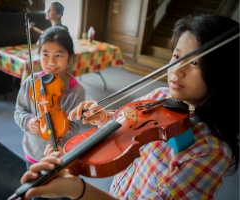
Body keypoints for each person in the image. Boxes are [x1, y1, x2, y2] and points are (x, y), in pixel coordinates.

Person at [17, 15, 239, 199]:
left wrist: (78, 190)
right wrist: (104, 118)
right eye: (176, 56)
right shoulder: (160, 96)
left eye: (194, 63)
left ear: (223, 74)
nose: (176, 70)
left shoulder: (211, 151)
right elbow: (130, 127)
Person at [14, 26, 85, 200]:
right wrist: (28, 121)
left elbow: (75, 126)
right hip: (34, 152)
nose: (51, 62)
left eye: (59, 55)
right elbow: (19, 111)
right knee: (36, 192)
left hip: (61, 155)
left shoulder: (76, 90)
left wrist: (62, 143)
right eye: (45, 54)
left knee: (61, 194)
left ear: (70, 58)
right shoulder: (31, 83)